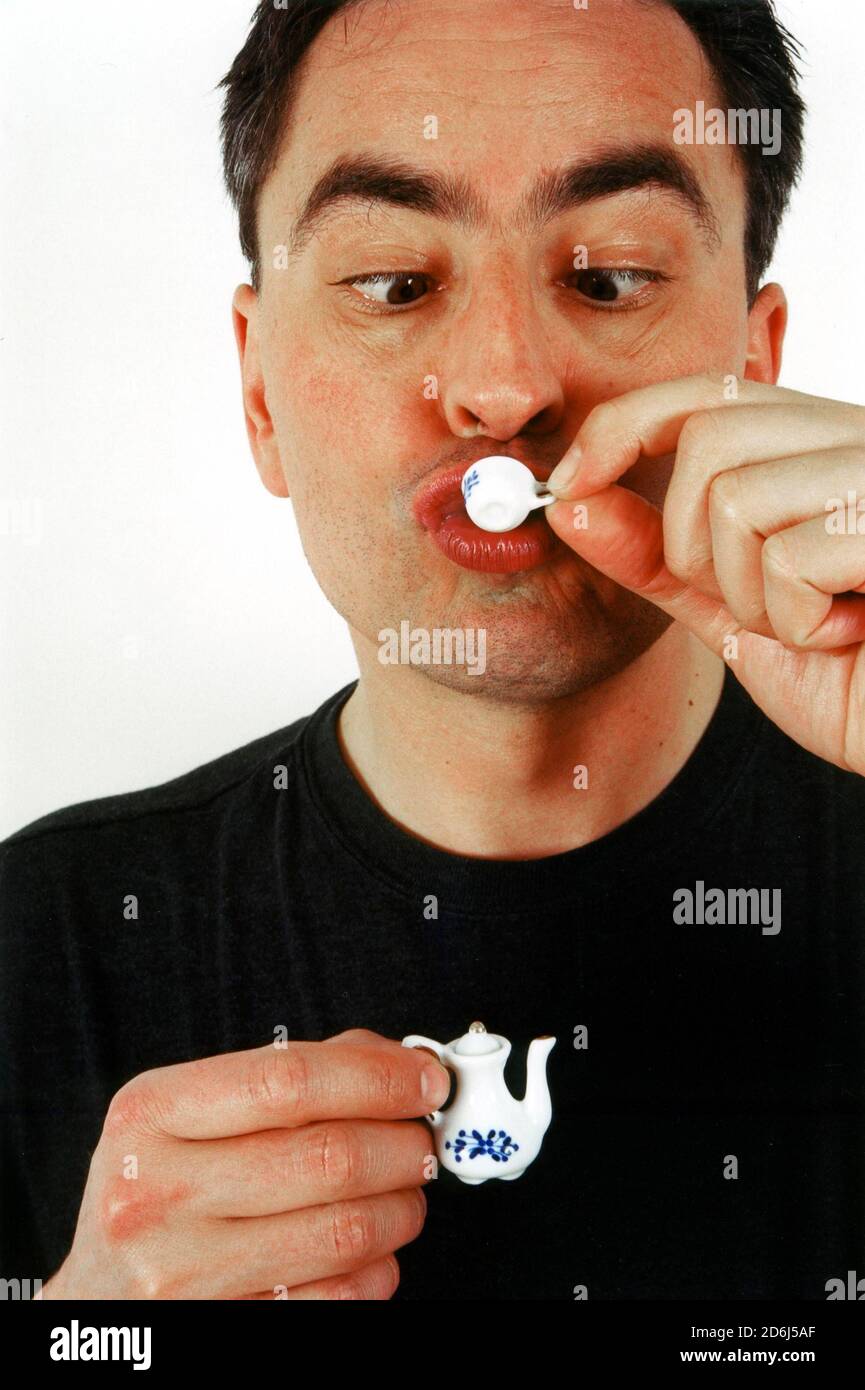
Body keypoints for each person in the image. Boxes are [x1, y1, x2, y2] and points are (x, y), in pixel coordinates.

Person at [2, 0, 864, 1301]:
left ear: (754, 362)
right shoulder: (38, 945)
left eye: (609, 277)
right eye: (397, 283)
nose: (504, 384)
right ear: (259, 397)